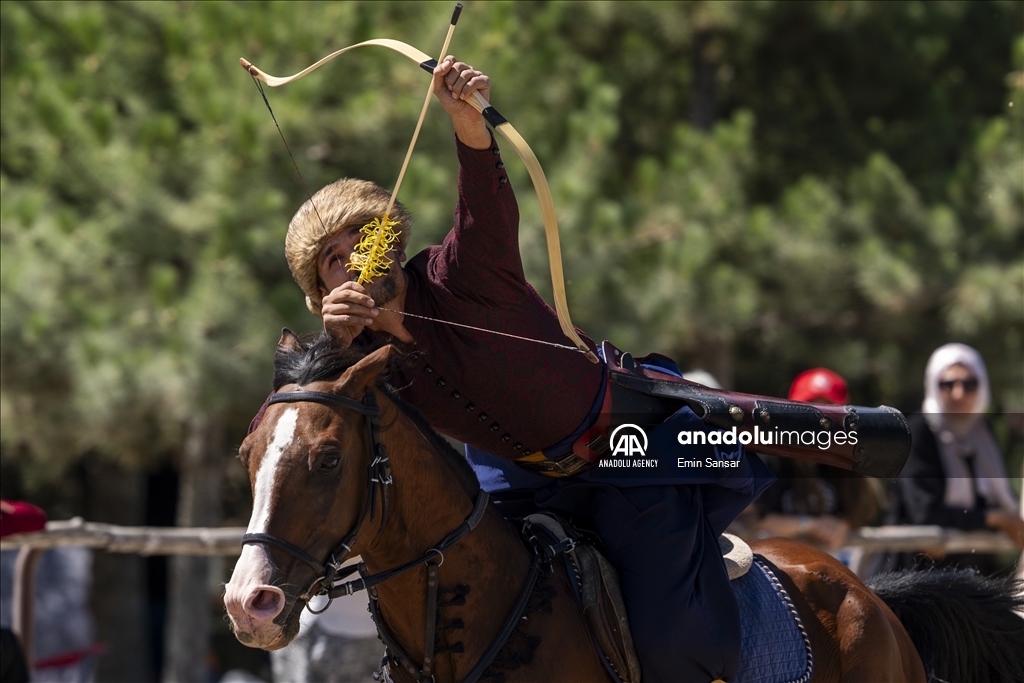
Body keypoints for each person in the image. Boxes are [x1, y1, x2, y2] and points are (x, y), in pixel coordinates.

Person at [277, 56, 772, 682]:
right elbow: (314, 425)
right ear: (322, 291)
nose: (351, 261)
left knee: (672, 638)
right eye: (331, 261)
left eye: (359, 241)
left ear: (391, 240)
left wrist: (468, 124)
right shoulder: (362, 359)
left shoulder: (462, 271)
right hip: (511, 479)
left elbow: (484, 205)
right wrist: (336, 347)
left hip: (622, 444)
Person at [882, 343, 1024, 573]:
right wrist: (995, 518)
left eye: (969, 384)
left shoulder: (983, 434)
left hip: (975, 573)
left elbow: (996, 500)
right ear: (933, 385)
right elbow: (925, 513)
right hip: (916, 574)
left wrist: (998, 518)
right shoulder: (918, 432)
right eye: (947, 384)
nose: (959, 393)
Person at [743, 369, 883, 550]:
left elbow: (860, 512)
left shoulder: (848, 457)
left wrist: (841, 525)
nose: (819, 423)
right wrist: (809, 525)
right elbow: (754, 517)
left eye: (828, 414)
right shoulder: (770, 454)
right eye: (809, 411)